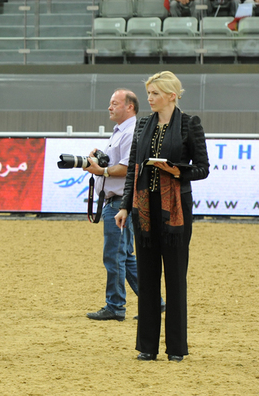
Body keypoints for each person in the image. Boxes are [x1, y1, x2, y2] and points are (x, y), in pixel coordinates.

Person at [116, 71, 209, 362]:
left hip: (176, 211)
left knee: (175, 278)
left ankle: (176, 348)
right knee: (147, 276)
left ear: (171, 95)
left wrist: (177, 171)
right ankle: (147, 346)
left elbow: (203, 168)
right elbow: (133, 168)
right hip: (144, 210)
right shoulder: (143, 124)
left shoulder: (189, 124)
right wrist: (124, 205)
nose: (149, 98)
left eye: (155, 93)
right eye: (148, 93)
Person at [83, 89, 142, 322]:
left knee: (114, 256)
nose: (110, 107)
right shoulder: (121, 132)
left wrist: (101, 170)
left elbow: (128, 167)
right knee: (124, 257)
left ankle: (115, 306)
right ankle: (154, 302)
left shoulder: (130, 132)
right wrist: (100, 157)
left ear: (130, 107)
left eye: (115, 103)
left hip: (120, 202)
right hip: (116, 200)